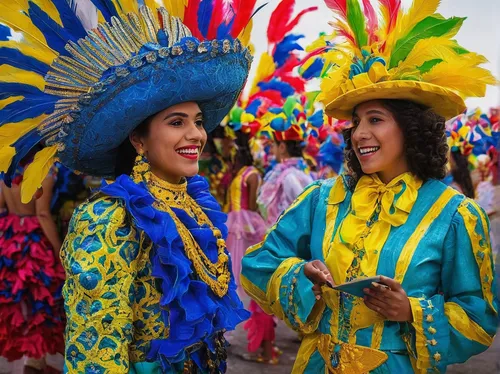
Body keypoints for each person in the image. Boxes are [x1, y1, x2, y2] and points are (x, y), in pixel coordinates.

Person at [0, 0, 258, 372]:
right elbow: (97, 353)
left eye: (198, 121)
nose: (196, 134)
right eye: (176, 122)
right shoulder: (110, 218)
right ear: (139, 140)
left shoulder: (194, 205)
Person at [242, 0, 499, 373]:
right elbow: (258, 263)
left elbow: (479, 317)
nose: (360, 134)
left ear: (411, 129)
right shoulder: (321, 200)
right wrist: (301, 277)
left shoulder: (456, 215)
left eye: (375, 119)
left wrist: (411, 310)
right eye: (357, 122)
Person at [0, 154, 65, 373]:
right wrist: (59, 252)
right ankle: (35, 358)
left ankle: (25, 359)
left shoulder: (6, 169)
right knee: (41, 301)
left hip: (10, 238)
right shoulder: (44, 171)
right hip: (34, 242)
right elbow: (43, 214)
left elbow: (1, 205)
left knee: (18, 304)